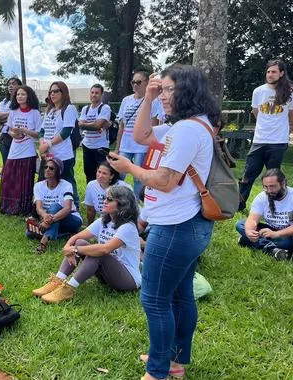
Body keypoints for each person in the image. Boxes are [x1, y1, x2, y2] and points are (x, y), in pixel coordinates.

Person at [108, 64, 219, 380]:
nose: (165, 96)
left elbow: (165, 181)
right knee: (180, 294)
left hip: (176, 227)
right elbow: (141, 135)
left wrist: (130, 168)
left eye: (170, 90)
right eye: (163, 89)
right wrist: (148, 98)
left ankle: (158, 371)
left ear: (188, 91)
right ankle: (174, 360)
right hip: (188, 225)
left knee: (155, 299)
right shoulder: (188, 126)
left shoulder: (186, 130)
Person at [32, 185, 141, 303]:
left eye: (109, 199)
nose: (104, 201)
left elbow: (104, 249)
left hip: (128, 280)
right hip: (108, 273)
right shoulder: (104, 221)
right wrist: (67, 247)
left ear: (122, 204)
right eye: (105, 198)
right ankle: (58, 280)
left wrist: (74, 250)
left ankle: (68, 289)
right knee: (81, 243)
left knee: (98, 253)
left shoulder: (128, 227)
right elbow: (77, 237)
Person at [238, 59, 293, 210]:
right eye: (268, 71)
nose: (270, 75)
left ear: (282, 73)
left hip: (278, 142)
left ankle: (275, 206)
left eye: (274, 72)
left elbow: (292, 115)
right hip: (259, 140)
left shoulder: (291, 91)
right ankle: (238, 204)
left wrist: (287, 130)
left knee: (273, 178)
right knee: (247, 176)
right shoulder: (258, 91)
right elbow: (256, 111)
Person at [115, 70, 163, 197]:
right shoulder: (126, 100)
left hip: (142, 146)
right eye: (133, 82)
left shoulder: (154, 101)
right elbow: (122, 125)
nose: (135, 85)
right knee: (119, 174)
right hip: (126, 144)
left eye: (138, 82)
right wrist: (117, 148)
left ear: (147, 83)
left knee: (138, 177)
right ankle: (118, 201)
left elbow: (154, 123)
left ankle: (136, 205)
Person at [0, 85, 41, 216]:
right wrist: (14, 134)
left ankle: (22, 208)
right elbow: (10, 130)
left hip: (28, 151)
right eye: (17, 95)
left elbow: (38, 134)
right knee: (8, 177)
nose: (19, 97)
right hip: (14, 149)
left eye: (22, 94)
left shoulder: (35, 113)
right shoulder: (13, 112)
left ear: (29, 96)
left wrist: (25, 131)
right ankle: (8, 206)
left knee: (25, 179)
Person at [236, 169, 293, 260]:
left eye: (272, 186)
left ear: (283, 183)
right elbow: (252, 219)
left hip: (289, 234)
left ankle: (246, 241)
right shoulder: (262, 197)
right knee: (240, 224)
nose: (269, 190)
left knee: (288, 243)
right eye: (265, 187)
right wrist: (249, 231)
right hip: (270, 231)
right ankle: (271, 249)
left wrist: (276, 234)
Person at [38, 81, 80, 207]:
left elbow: (66, 131)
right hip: (48, 155)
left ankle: (74, 206)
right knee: (46, 180)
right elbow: (42, 131)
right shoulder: (49, 111)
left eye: (56, 91)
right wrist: (42, 144)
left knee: (67, 181)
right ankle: (47, 206)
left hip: (63, 155)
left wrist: (48, 144)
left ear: (63, 92)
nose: (52, 94)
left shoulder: (69, 109)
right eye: (50, 91)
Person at [28, 157, 83, 254]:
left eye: (51, 168)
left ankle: (44, 242)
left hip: (72, 219)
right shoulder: (39, 185)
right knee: (29, 233)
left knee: (55, 206)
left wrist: (48, 221)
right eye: (46, 167)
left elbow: (67, 209)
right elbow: (39, 208)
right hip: (52, 219)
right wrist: (45, 217)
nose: (47, 170)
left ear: (58, 171)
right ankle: (65, 234)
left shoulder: (66, 185)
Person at [79, 84, 112, 183]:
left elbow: (98, 125)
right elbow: (80, 124)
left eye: (97, 93)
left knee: (103, 173)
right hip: (87, 145)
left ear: (101, 95)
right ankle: (91, 195)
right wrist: (95, 125)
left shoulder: (105, 108)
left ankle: (103, 195)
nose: (94, 95)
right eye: (92, 92)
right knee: (88, 173)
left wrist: (89, 125)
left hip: (100, 146)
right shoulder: (85, 109)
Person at [0, 77, 22, 178]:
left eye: (14, 83)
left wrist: (5, 117)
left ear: (20, 86)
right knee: (6, 162)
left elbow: (21, 117)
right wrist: (12, 113)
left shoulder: (23, 100)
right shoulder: (4, 102)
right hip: (4, 136)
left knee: (17, 163)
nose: (10, 86)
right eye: (9, 84)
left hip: (18, 136)